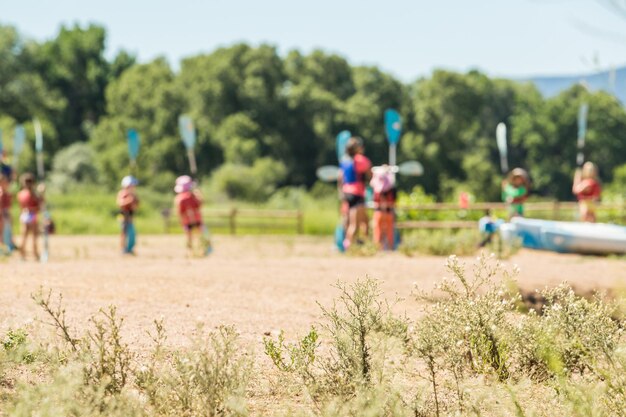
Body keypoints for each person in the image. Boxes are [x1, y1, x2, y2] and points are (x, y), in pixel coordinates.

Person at [338, 137, 372, 250]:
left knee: (355, 221)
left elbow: (340, 178)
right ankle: (350, 247)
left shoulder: (344, 161)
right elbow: (369, 173)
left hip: (346, 194)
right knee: (357, 224)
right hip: (357, 193)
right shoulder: (360, 160)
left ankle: (356, 245)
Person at [174, 175, 205, 255]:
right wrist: (199, 194)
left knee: (189, 237)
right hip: (197, 219)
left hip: (186, 221)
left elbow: (179, 212)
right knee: (199, 236)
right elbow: (200, 204)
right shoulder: (194, 196)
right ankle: (201, 250)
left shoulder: (180, 198)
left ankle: (191, 251)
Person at [16, 173, 44, 260]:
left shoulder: (20, 193)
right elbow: (40, 204)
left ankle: (22, 254)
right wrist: (42, 193)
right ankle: (35, 254)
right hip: (32, 214)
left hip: (24, 214)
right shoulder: (33, 194)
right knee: (34, 235)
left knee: (24, 235)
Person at [370, 166, 397, 250]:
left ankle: (377, 248)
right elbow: (394, 200)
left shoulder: (376, 188)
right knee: (389, 232)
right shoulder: (391, 188)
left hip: (378, 212)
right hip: (389, 212)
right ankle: (390, 248)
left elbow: (374, 200)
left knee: (378, 231)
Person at [117, 175, 139, 255]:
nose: (134, 187)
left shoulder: (133, 195)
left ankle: (130, 249)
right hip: (124, 217)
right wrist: (129, 200)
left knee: (132, 235)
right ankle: (123, 249)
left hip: (130, 218)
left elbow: (136, 206)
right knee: (124, 234)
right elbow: (120, 203)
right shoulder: (123, 194)